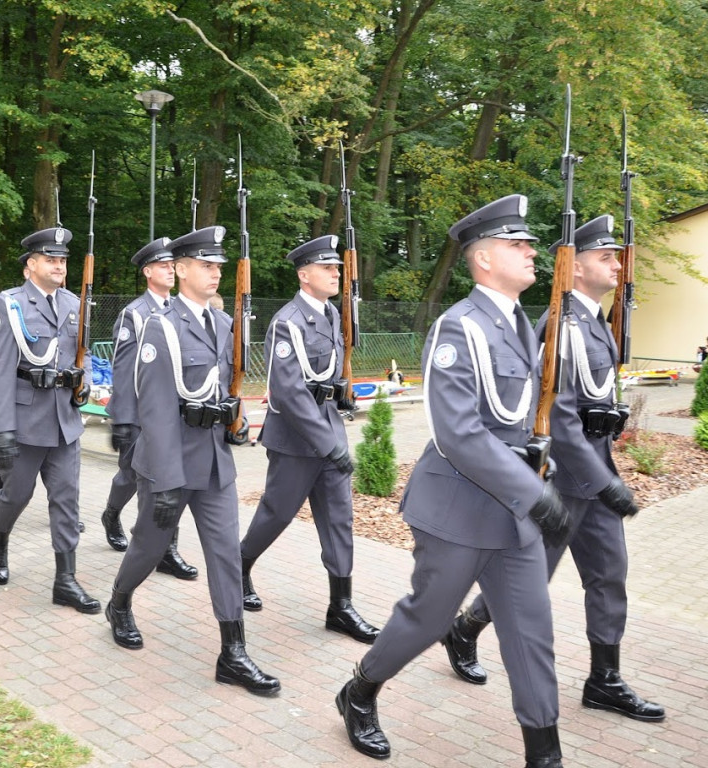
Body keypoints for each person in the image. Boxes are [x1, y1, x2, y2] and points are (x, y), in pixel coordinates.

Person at [335, 195, 570, 767]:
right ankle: (359, 690)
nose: (533, 252)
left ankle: (545, 753)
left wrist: (542, 458)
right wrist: (532, 491)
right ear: (485, 259)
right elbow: (458, 433)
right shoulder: (459, 327)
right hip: (458, 509)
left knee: (532, 634)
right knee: (428, 618)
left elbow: (513, 418)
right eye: (520, 245)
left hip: (512, 514)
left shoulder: (518, 324)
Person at [441, 214, 665, 724]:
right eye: (606, 257)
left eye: (617, 257)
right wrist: (606, 482)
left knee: (610, 574)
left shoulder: (595, 322)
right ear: (578, 267)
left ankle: (604, 680)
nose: (617, 265)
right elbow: (559, 416)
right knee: (530, 578)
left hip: (594, 471)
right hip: (565, 478)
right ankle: (463, 628)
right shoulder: (559, 323)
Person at [105, 225, 280, 696]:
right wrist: (163, 480)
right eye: (207, 265)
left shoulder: (225, 325)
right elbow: (156, 408)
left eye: (219, 266)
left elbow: (226, 388)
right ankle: (120, 602)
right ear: (180, 270)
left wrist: (236, 418)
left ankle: (234, 653)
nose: (216, 273)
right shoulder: (158, 327)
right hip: (171, 461)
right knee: (147, 543)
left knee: (225, 553)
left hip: (214, 461)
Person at [239, 235, 380, 644]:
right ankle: (239, 565)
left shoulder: (333, 314)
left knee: (339, 519)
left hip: (328, 428)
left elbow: (332, 369)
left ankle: (341, 607)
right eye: (327, 268)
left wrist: (342, 391)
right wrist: (328, 443)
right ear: (304, 275)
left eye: (337, 267)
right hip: (297, 438)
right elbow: (288, 391)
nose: (336, 273)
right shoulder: (288, 322)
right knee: (277, 514)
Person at [0, 226, 99, 613]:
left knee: (67, 498)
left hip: (64, 419)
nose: (59, 266)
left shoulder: (73, 302)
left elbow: (80, 359)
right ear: (30, 266)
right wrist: (2, 429)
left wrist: (85, 385)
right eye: (50, 260)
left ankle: (65, 580)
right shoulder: (10, 304)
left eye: (63, 260)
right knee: (16, 495)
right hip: (25, 419)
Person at [99, 237, 198, 580]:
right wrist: (123, 420)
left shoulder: (180, 310)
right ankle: (112, 514)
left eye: (173, 265)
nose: (170, 270)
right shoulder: (135, 314)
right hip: (140, 413)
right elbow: (123, 369)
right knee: (129, 475)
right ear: (147, 272)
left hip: (172, 415)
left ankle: (167, 551)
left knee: (168, 480)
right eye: (163, 266)